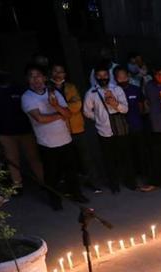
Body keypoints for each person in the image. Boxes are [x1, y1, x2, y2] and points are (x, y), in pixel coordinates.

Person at [21, 65, 87, 209]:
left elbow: (68, 114)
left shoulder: (54, 93)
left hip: (65, 139)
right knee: (52, 174)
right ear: (27, 80)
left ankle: (76, 193)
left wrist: (56, 106)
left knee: (71, 170)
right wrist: (59, 115)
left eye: (38, 75)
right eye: (31, 76)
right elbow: (39, 119)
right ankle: (55, 200)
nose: (36, 79)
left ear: (44, 78)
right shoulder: (27, 97)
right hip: (47, 143)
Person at [0, 70, 44, 194]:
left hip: (25, 129)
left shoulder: (19, 88)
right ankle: (17, 186)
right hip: (4, 132)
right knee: (12, 159)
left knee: (33, 158)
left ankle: (43, 182)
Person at [50, 63, 103, 193]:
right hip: (60, 131)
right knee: (67, 161)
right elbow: (49, 108)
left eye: (61, 72)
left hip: (78, 128)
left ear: (65, 74)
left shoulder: (70, 87)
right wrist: (65, 108)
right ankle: (71, 187)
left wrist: (60, 108)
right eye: (55, 72)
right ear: (50, 73)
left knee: (86, 158)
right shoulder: (48, 89)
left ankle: (93, 182)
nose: (58, 75)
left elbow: (77, 105)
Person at [83, 65, 134, 193]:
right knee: (109, 159)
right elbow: (86, 111)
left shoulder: (117, 89)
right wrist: (98, 118)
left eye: (105, 75)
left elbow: (125, 109)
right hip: (104, 130)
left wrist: (114, 103)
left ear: (109, 76)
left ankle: (129, 181)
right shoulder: (91, 93)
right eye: (99, 76)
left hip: (120, 128)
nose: (102, 78)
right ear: (95, 77)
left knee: (125, 156)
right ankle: (114, 184)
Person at [113, 66, 147, 182]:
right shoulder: (113, 92)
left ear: (128, 76)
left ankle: (144, 174)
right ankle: (131, 177)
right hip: (122, 129)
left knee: (141, 151)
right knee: (127, 154)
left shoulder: (135, 89)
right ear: (115, 78)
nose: (122, 79)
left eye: (124, 76)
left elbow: (141, 107)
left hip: (137, 125)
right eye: (119, 77)